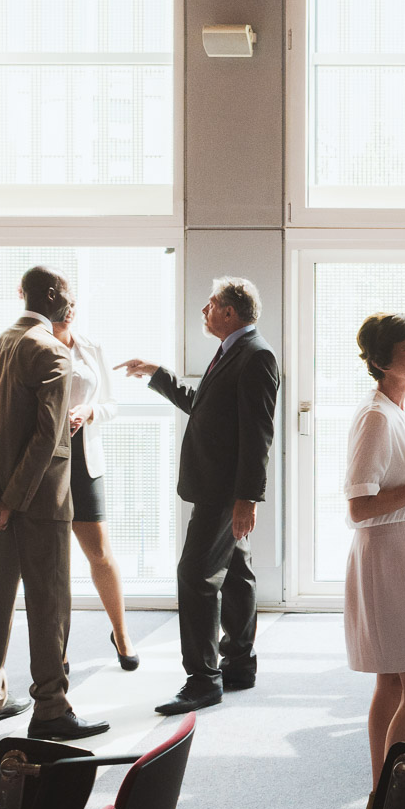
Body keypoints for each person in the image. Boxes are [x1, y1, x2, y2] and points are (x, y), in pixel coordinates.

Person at [119, 277, 282, 715]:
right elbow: (203, 406)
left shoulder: (256, 355)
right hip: (218, 487)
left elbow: (259, 435)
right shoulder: (232, 351)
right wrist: (157, 375)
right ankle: (238, 664)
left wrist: (247, 498)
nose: (204, 311)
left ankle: (203, 680)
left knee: (194, 576)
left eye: (210, 305)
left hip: (225, 492)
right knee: (235, 574)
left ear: (229, 312)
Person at [0, 265, 109, 741]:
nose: (73, 302)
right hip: (40, 501)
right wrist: (13, 500)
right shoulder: (51, 351)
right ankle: (51, 706)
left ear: (21, 293)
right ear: (52, 296)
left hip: (4, 502)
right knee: (49, 604)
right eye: (70, 294)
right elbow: (49, 437)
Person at [345, 313, 405, 784]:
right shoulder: (374, 417)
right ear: (384, 360)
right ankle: (392, 796)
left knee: (391, 680)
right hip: (384, 554)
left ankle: (377, 794)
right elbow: (360, 507)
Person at [50, 304, 138, 671]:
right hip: (46, 464)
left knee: (100, 553)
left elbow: (112, 404)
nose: (68, 311)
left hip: (84, 462)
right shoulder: (31, 344)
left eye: (72, 304)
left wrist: (89, 412)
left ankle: (121, 634)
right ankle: (56, 647)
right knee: (54, 561)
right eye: (60, 305)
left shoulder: (90, 346)